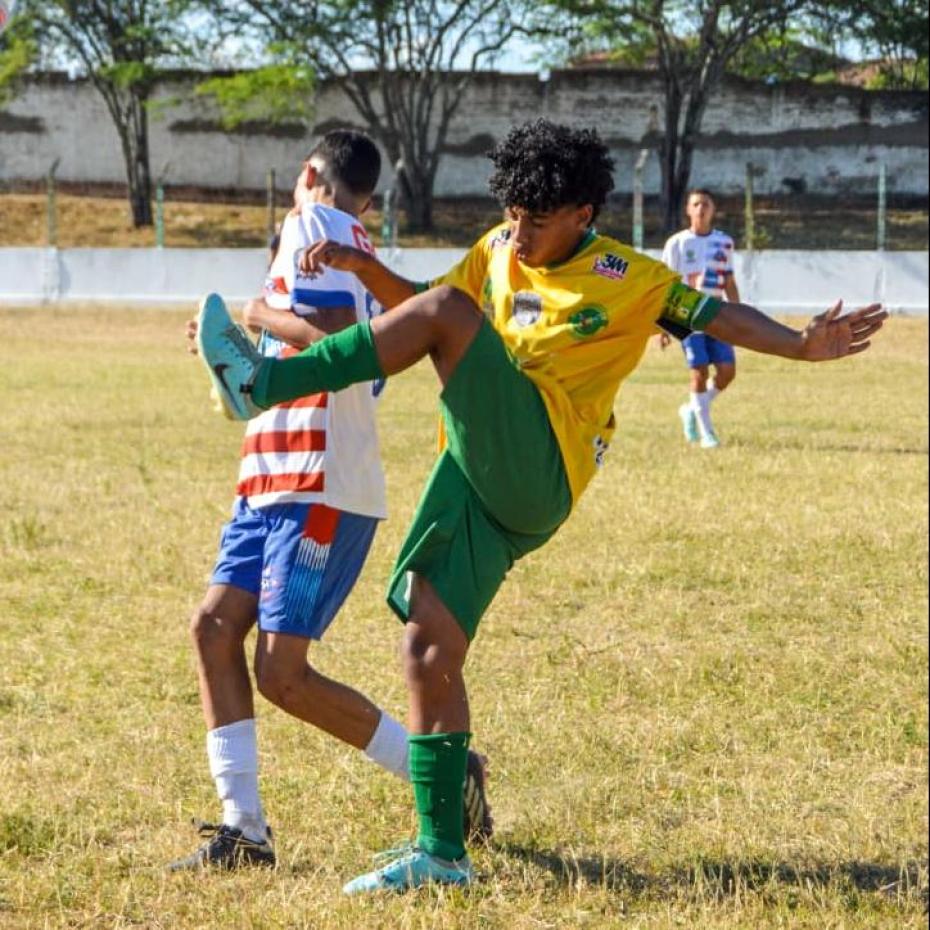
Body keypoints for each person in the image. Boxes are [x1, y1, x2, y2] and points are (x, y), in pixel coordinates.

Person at [195, 119, 886, 893]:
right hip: (476, 468)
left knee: (451, 317)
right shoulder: (495, 249)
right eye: (513, 213)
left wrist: (799, 344)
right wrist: (365, 264)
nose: (518, 232)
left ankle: (261, 383)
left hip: (539, 462)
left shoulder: (631, 276)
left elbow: (716, 316)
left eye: (538, 219)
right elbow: (419, 308)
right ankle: (442, 852)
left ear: (584, 216)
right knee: (426, 650)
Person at [172, 130, 491, 872]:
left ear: (308, 175)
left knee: (283, 673)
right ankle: (244, 830)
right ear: (371, 197)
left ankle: (449, 769)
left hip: (317, 479)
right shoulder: (355, 244)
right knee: (214, 628)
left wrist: (256, 317)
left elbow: (335, 340)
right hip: (273, 471)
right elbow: (334, 345)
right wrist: (232, 343)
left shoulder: (312, 223)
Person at [661, 189, 740, 448]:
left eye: (706, 204)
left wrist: (738, 316)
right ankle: (707, 433)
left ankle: (692, 408)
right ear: (688, 209)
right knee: (699, 371)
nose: (701, 209)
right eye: (696, 204)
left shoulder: (724, 242)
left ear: (713, 210)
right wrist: (663, 325)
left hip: (717, 314)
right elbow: (666, 284)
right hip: (687, 315)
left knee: (727, 371)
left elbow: (728, 280)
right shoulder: (677, 243)